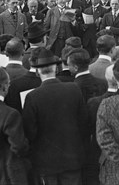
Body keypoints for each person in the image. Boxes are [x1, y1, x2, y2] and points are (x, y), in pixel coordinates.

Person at [22, 48, 89, 185]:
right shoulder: (74, 89)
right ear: (56, 68)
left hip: (45, 162)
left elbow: (29, 132)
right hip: (72, 158)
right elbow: (84, 124)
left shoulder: (33, 97)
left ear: (37, 71)